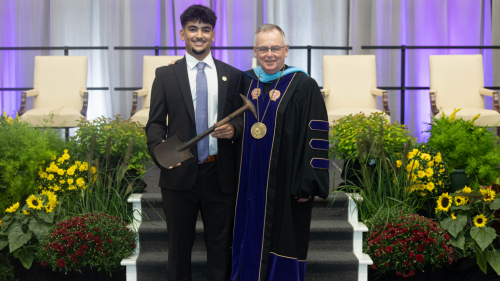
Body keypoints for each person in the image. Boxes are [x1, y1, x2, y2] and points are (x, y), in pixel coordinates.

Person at [146, 5, 243, 281]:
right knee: (177, 251)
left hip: (220, 174)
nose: (199, 35)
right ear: (182, 33)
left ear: (213, 35)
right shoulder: (165, 75)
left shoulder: (232, 75)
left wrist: (234, 130)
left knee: (221, 249)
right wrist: (160, 153)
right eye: (192, 29)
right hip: (178, 174)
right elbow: (155, 123)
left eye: (205, 29)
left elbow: (243, 121)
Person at [231, 24, 329, 281]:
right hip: (249, 183)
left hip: (286, 181)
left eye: (275, 48)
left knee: (284, 237)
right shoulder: (245, 81)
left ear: (286, 50)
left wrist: (307, 183)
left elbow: (315, 137)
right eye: (263, 48)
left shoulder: (303, 85)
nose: (269, 54)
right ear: (255, 51)